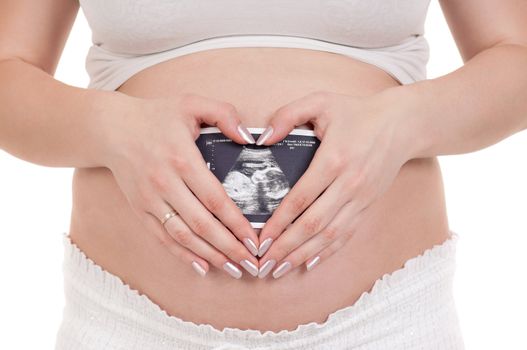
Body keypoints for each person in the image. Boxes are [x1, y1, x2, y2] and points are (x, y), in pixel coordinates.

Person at [1, 0, 526, 349]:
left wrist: (401, 122)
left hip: (387, 322)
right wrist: (113, 128)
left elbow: (517, 57)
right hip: (129, 325)